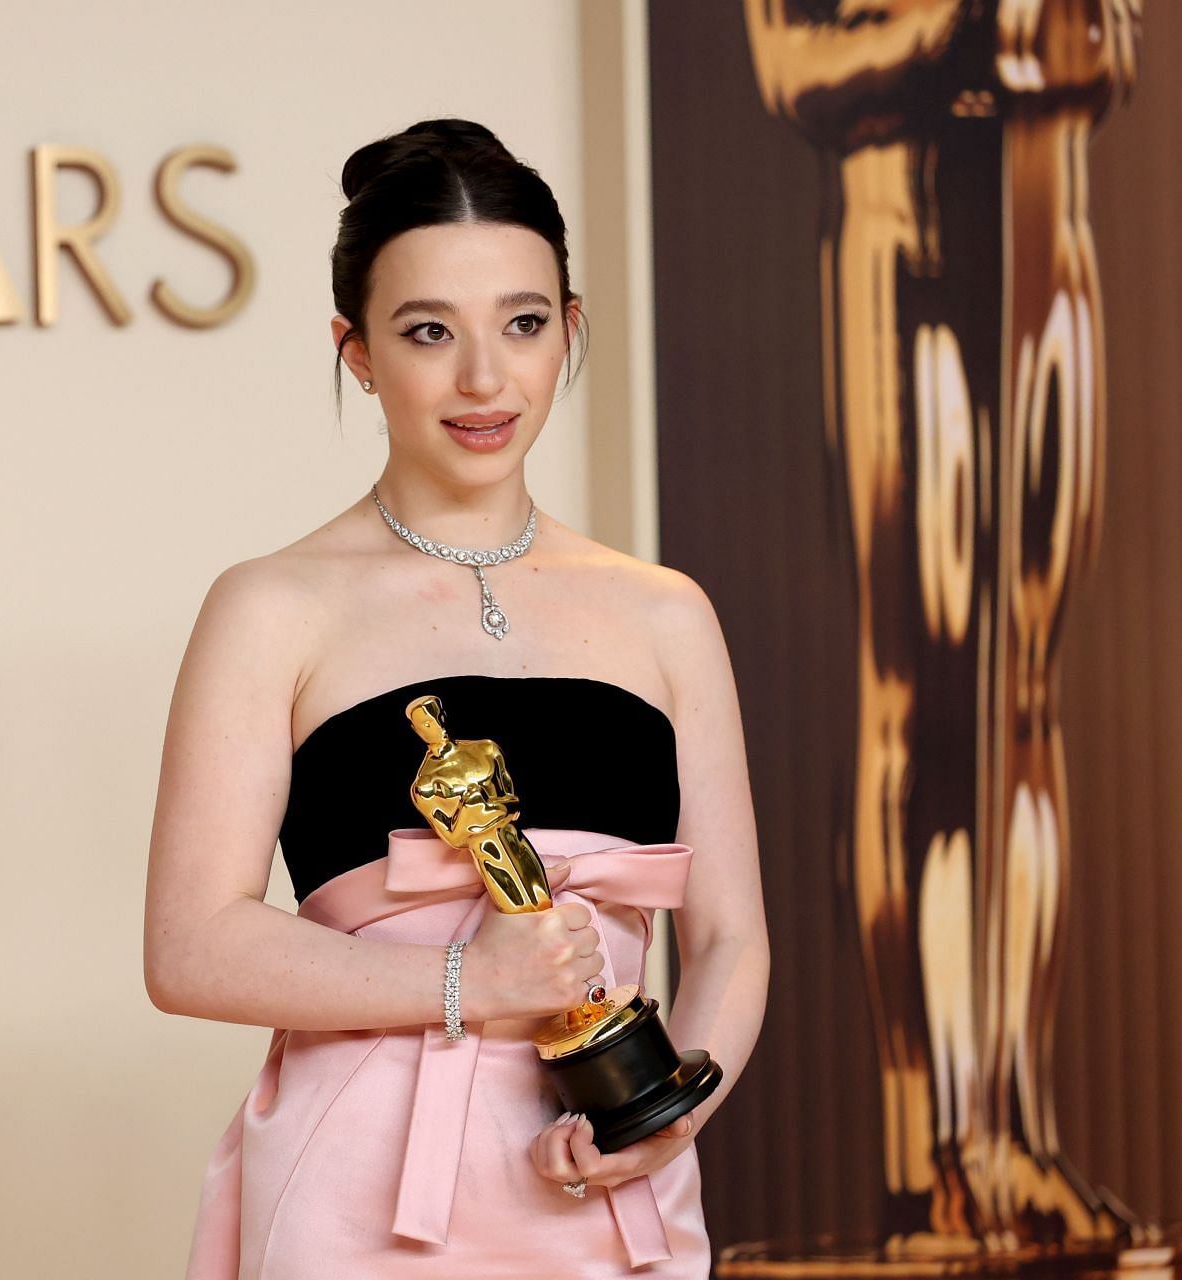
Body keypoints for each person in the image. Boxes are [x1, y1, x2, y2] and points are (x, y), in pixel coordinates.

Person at [143, 118, 771, 1278]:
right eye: (430, 332)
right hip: (365, 1190)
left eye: (524, 325)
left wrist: (676, 1111)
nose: (485, 379)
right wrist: (465, 982)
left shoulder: (666, 612)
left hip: (603, 1173)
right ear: (358, 351)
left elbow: (730, 935)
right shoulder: (272, 605)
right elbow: (188, 945)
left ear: (569, 331)